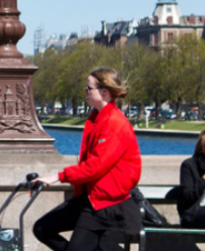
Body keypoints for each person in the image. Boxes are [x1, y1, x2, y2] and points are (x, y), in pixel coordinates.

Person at [34, 67, 142, 251]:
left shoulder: (113, 123)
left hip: (105, 204)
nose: (85, 92)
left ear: (104, 92)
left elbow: (95, 166)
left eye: (88, 88)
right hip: (90, 198)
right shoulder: (98, 119)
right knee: (42, 228)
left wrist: (57, 177)